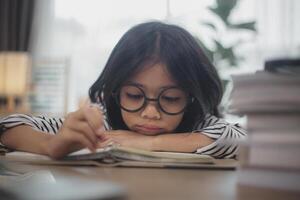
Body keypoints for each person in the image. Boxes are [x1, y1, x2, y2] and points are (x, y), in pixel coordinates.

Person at [0, 21, 246, 159]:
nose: (150, 113)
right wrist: (51, 145)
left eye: (170, 98)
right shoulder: (102, 122)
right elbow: (9, 127)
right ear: (115, 91)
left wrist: (150, 143)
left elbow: (240, 138)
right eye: (135, 96)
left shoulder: (198, 124)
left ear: (190, 97)